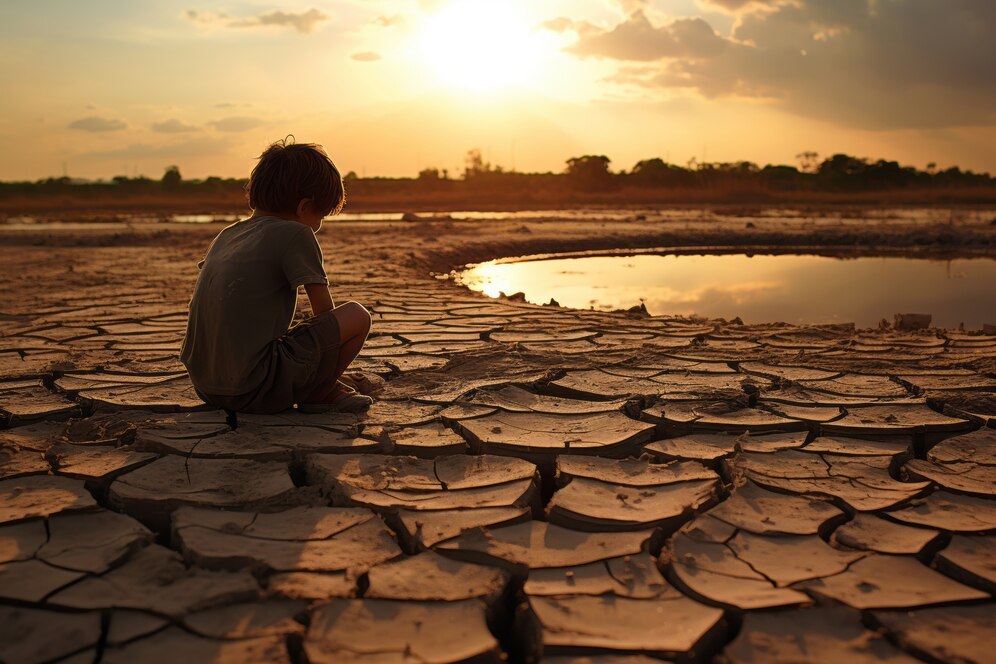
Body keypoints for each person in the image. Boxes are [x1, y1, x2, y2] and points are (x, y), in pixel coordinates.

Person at [180, 138, 373, 414]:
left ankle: (319, 382)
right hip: (254, 388)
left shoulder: (229, 234)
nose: (318, 226)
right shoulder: (296, 233)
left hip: (207, 386)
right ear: (304, 207)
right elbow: (324, 313)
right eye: (321, 216)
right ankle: (321, 390)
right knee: (357, 315)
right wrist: (326, 371)